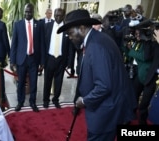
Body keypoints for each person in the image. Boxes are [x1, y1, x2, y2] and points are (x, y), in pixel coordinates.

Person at [57, 9, 137, 140]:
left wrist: (83, 101)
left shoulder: (96, 46)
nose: (70, 37)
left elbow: (104, 86)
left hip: (106, 112)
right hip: (108, 107)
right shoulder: (97, 39)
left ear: (82, 28)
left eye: (70, 33)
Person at [10, 3, 45, 112]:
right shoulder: (18, 25)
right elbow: (14, 44)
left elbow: (42, 43)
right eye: (26, 11)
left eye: (30, 12)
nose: (27, 13)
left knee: (34, 82)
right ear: (23, 12)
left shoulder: (39, 25)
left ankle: (32, 102)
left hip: (34, 59)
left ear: (33, 12)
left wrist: (42, 61)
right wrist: (12, 61)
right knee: (21, 83)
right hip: (21, 59)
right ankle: (20, 102)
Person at [43, 8, 72, 109]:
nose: (57, 17)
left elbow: (70, 47)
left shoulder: (67, 28)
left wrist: (70, 61)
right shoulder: (47, 26)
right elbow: (43, 44)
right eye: (56, 15)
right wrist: (43, 60)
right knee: (47, 80)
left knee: (59, 81)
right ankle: (45, 100)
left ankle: (55, 99)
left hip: (61, 59)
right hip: (49, 58)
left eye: (60, 15)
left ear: (64, 16)